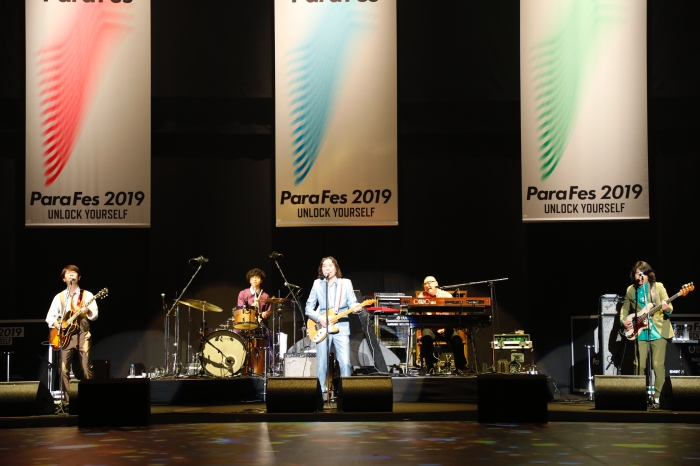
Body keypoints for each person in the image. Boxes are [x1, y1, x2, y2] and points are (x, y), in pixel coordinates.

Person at [305, 256, 360, 397]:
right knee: (322, 363)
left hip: (341, 326)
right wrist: (319, 318)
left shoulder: (345, 283)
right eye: (324, 266)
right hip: (322, 326)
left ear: (336, 268)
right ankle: (321, 394)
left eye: (330, 265)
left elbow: (352, 302)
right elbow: (308, 308)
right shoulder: (317, 284)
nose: (327, 268)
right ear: (321, 269)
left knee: (345, 362)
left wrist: (356, 308)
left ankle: (346, 393)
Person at [620, 261, 673, 405]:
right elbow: (625, 308)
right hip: (639, 329)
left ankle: (658, 396)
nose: (639, 277)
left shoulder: (658, 287)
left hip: (658, 329)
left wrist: (667, 308)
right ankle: (638, 395)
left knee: (657, 364)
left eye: (642, 274)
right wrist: (623, 320)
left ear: (648, 274)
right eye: (637, 273)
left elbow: (670, 307)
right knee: (638, 364)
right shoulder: (631, 290)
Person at [45, 265, 99, 402]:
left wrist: (88, 311)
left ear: (79, 277)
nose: (71, 275)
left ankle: (90, 400)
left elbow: (95, 315)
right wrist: (57, 324)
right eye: (68, 273)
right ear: (64, 279)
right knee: (63, 369)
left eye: (74, 273)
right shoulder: (59, 297)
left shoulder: (87, 295)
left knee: (86, 367)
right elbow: (49, 317)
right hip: (65, 336)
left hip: (83, 334)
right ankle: (67, 402)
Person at [418, 276, 468, 373]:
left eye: (429, 282)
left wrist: (445, 326)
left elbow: (453, 308)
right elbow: (424, 309)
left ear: (436, 283)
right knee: (426, 338)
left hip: (445, 327)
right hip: (430, 327)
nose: (427, 285)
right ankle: (430, 366)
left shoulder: (445, 295)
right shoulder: (422, 296)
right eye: (425, 284)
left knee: (457, 339)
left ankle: (461, 366)